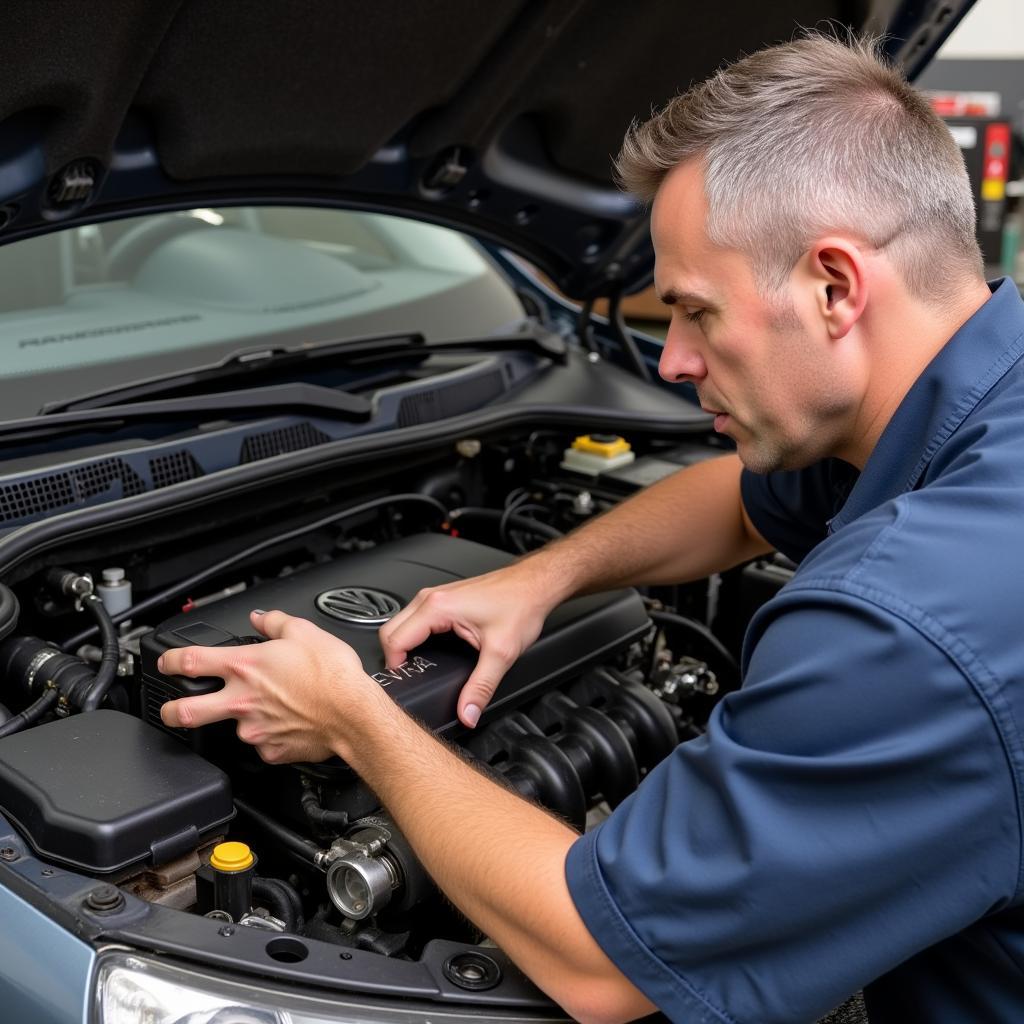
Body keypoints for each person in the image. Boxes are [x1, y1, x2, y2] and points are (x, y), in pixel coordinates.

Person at [158, 34, 1024, 1024]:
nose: (672, 361)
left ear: (834, 287)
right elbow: (740, 500)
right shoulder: (972, 400)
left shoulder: (914, 624)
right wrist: (542, 577)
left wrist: (357, 721)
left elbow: (599, 963)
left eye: (695, 312)